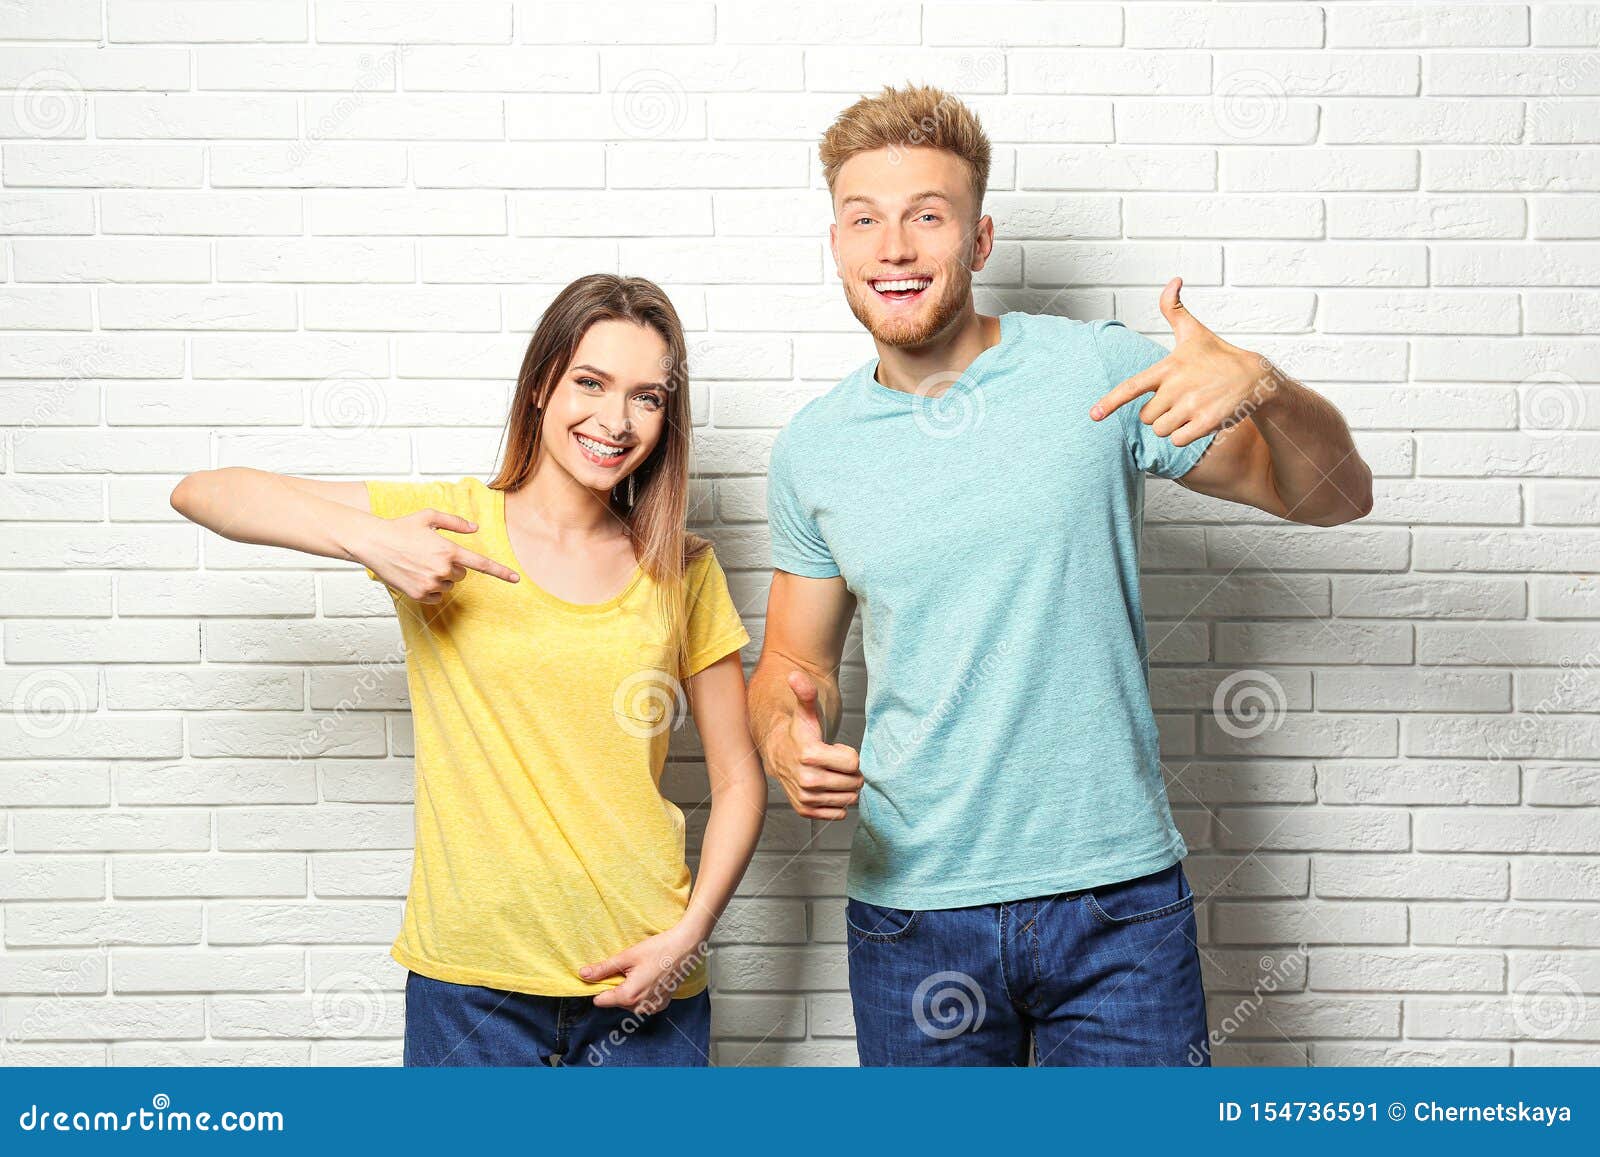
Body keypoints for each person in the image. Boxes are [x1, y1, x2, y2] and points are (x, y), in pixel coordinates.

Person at [747, 85, 1374, 1066]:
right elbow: (793, 661)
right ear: (835, 242)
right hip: (913, 916)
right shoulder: (814, 450)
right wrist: (785, 731)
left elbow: (1335, 495)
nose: (896, 247)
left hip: (1116, 903)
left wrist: (1269, 386)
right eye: (865, 219)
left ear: (980, 237)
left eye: (928, 216)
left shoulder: (1099, 373)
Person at [172, 274, 766, 1066]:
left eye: (647, 397)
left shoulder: (681, 568)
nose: (615, 420)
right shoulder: (448, 526)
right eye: (590, 382)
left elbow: (738, 778)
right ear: (540, 387)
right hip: (470, 993)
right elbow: (205, 492)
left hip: (644, 980)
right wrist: (369, 539)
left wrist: (686, 940)